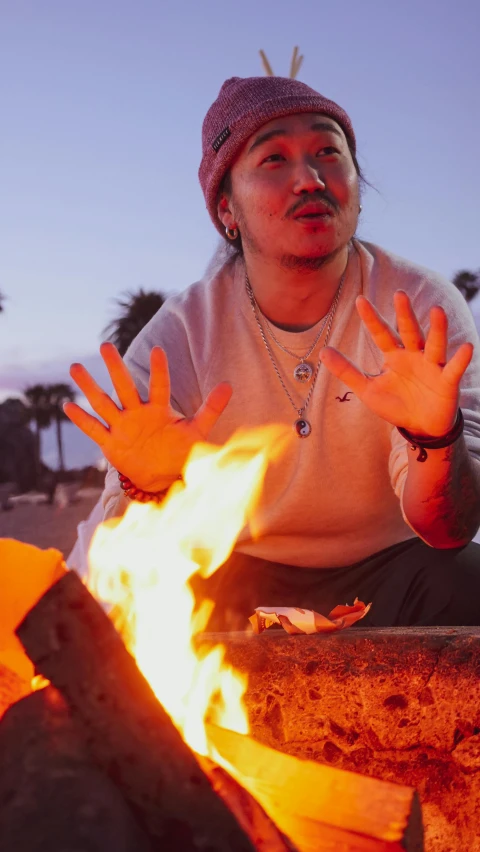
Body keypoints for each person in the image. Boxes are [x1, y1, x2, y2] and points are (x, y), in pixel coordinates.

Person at [64, 75, 480, 629]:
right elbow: (123, 540)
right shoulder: (184, 333)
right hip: (236, 576)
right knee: (141, 614)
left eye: (328, 152)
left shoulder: (417, 304)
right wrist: (150, 485)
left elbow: (448, 529)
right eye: (273, 159)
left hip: (398, 569)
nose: (309, 180)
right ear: (227, 210)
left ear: (356, 182)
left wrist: (436, 438)